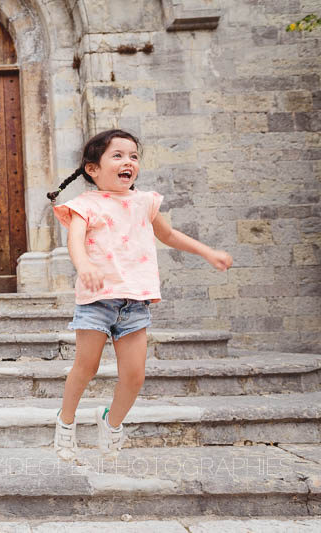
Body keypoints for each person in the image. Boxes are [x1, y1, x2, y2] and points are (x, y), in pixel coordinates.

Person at [49, 129, 232, 462]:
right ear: (93, 169)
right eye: (117, 155)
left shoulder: (145, 202)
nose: (128, 162)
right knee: (85, 368)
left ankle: (111, 422)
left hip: (135, 304)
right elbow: (74, 241)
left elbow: (170, 234)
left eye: (133, 156)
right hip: (97, 300)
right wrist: (84, 264)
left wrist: (208, 252)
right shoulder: (83, 205)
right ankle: (65, 422)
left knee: (134, 377)